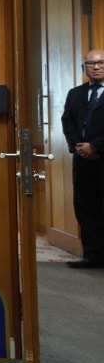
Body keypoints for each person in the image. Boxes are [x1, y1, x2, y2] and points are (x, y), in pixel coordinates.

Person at [60, 49, 104, 269]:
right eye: (90, 64)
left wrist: (95, 146)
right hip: (83, 160)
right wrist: (78, 147)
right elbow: (67, 121)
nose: (95, 67)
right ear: (84, 68)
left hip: (102, 156)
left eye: (100, 63)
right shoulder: (75, 93)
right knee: (85, 207)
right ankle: (93, 255)